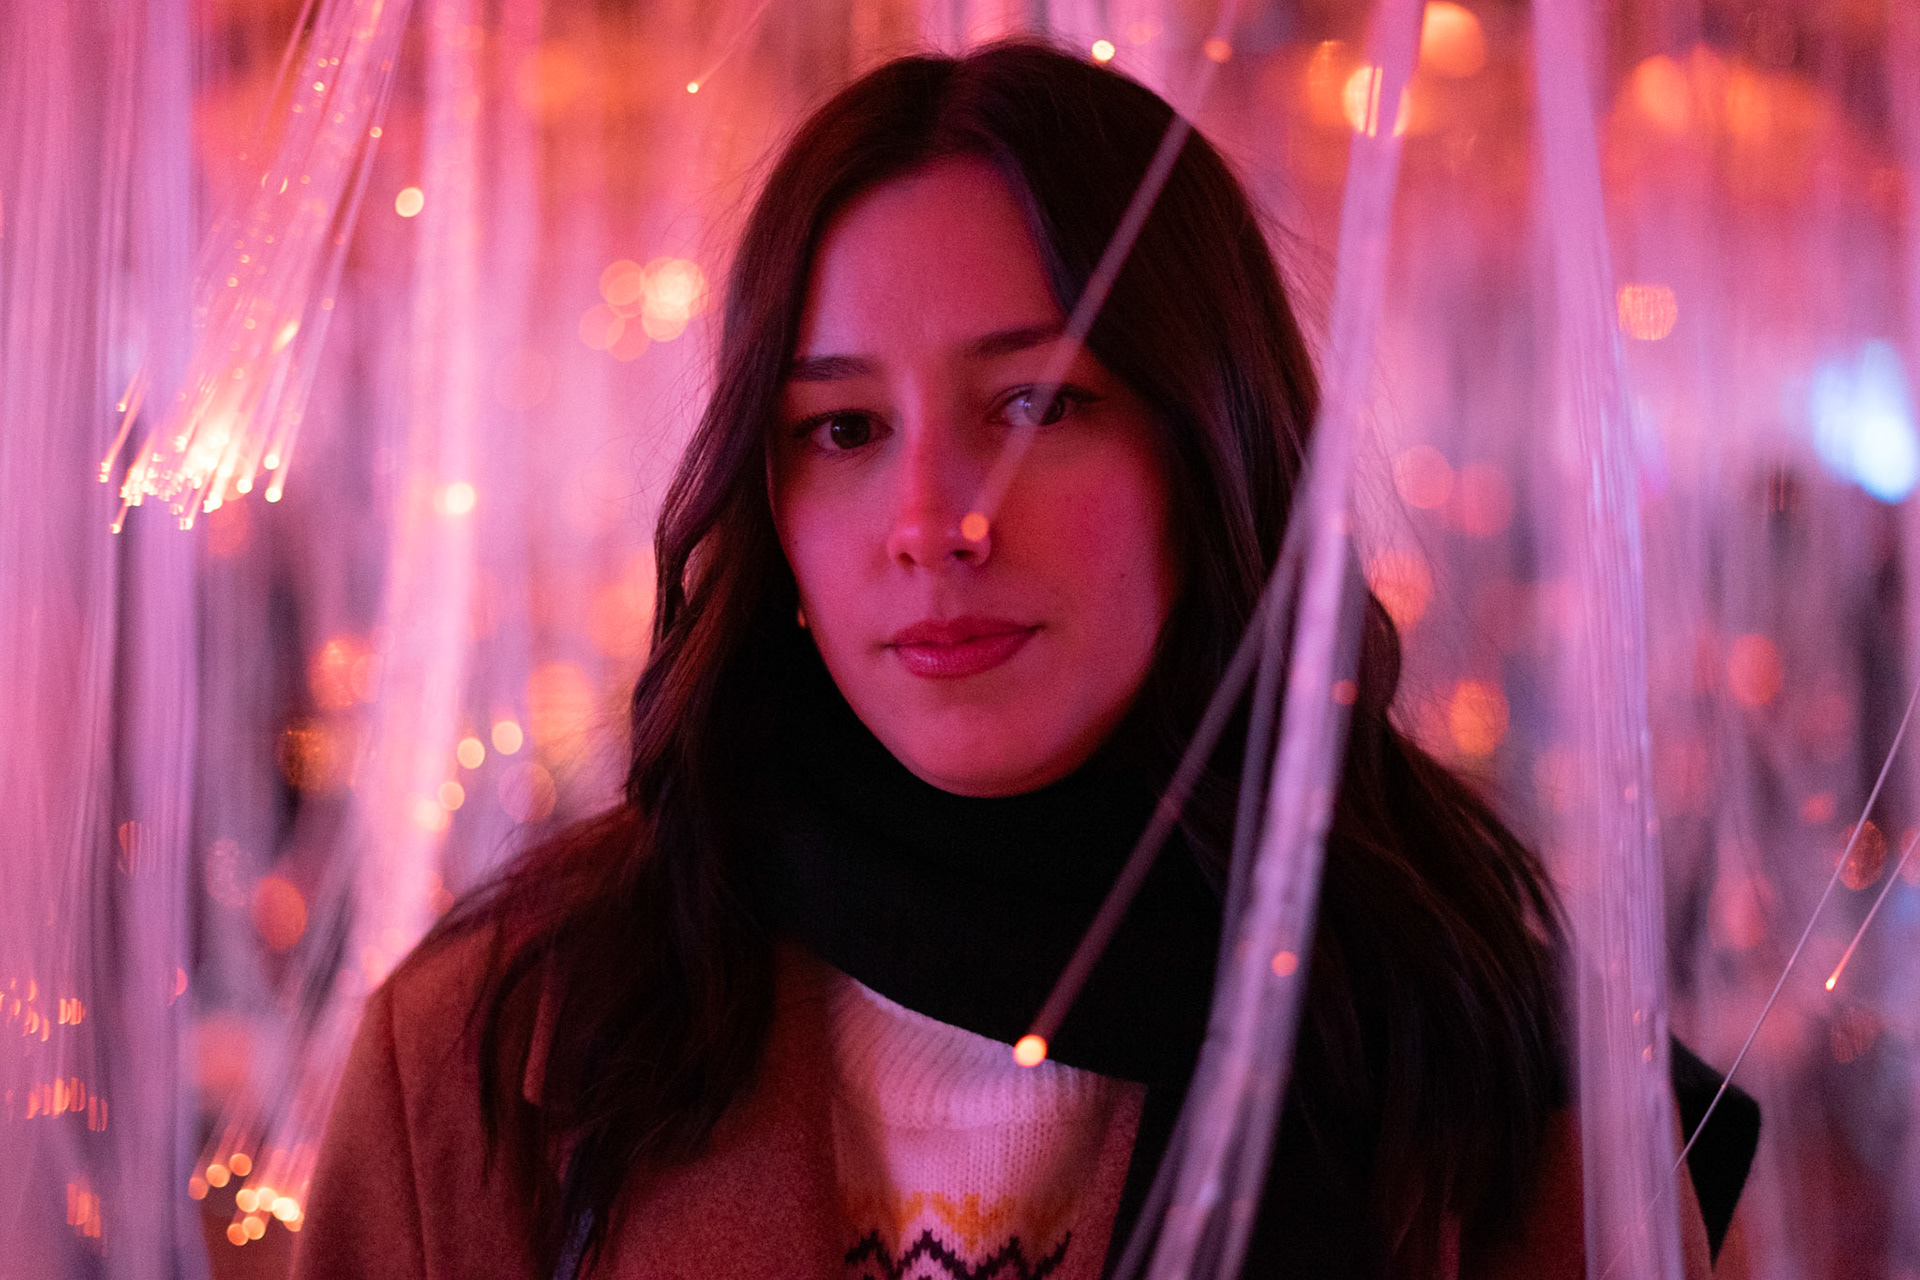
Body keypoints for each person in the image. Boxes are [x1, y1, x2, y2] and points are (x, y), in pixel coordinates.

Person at [293, 40, 1755, 1280]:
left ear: (1210, 449)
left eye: (1038, 405)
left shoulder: (1481, 1064)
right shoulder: (501, 1055)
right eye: (843, 429)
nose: (937, 523)